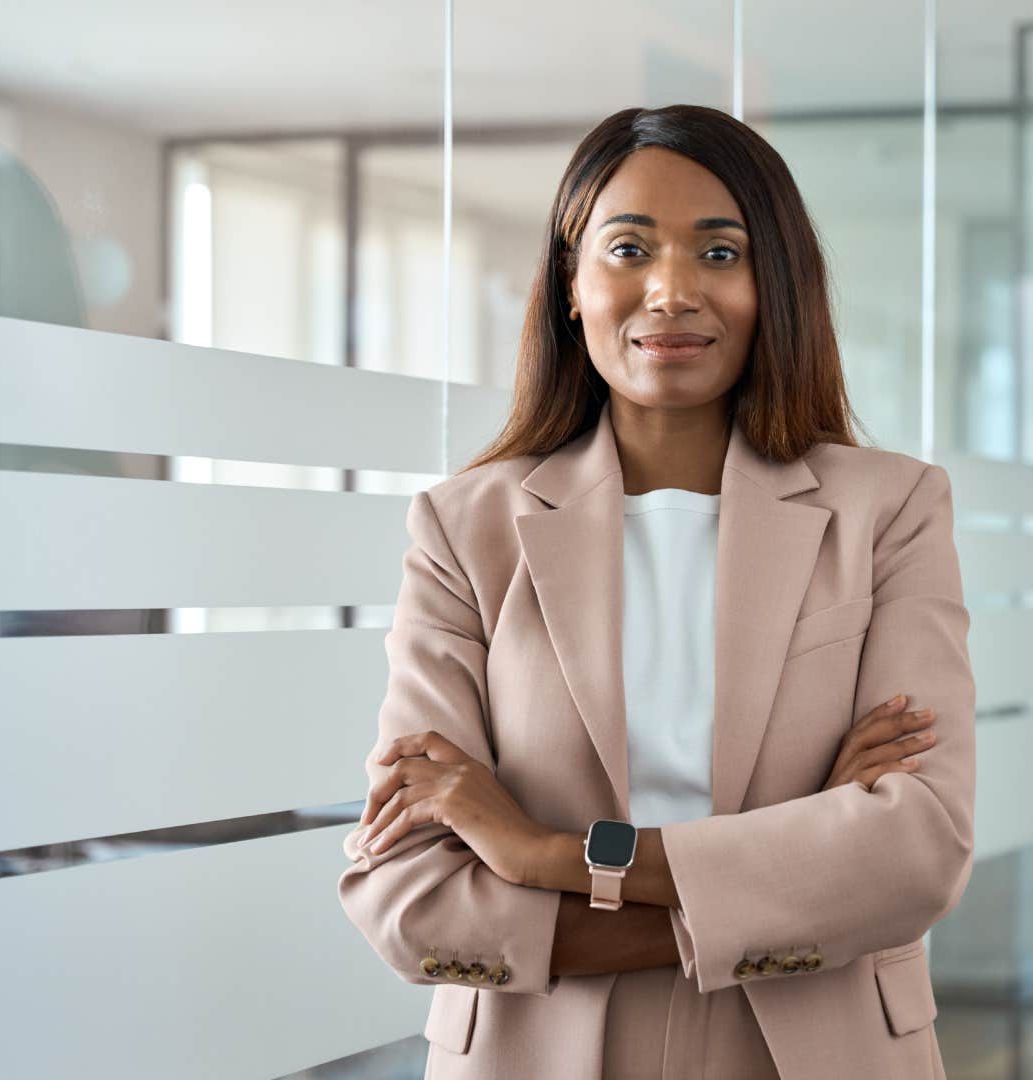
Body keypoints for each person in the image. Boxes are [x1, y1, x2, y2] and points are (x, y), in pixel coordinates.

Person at [336, 103, 974, 1079]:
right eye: (628, 248)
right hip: (536, 1054)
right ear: (570, 284)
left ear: (777, 284)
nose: (672, 291)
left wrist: (542, 854)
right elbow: (408, 903)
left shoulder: (890, 509)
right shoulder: (464, 530)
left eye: (721, 254)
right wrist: (792, 871)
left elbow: (916, 850)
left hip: (819, 1050)